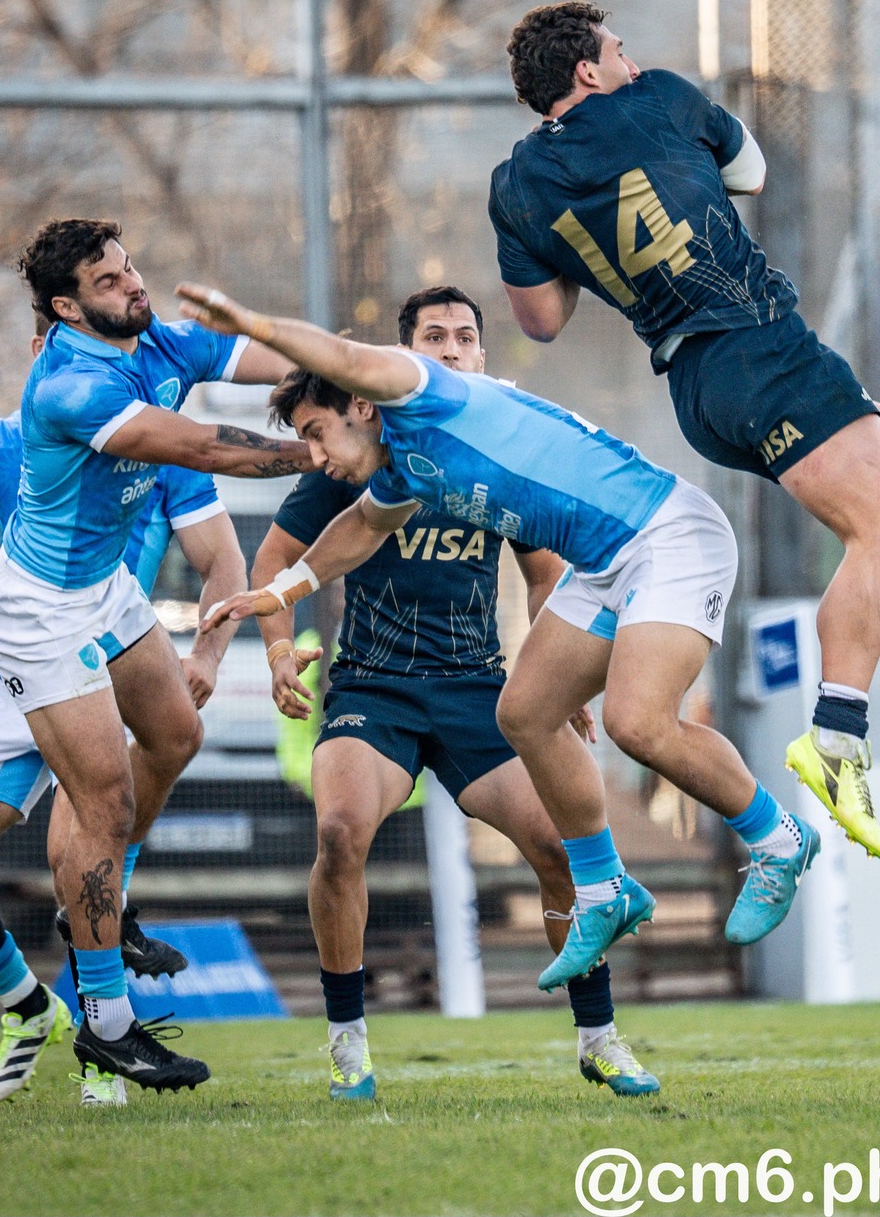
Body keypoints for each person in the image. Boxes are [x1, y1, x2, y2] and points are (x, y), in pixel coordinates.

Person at [487, 2, 880, 865]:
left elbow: (542, 317)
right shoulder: (657, 97)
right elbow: (752, 171)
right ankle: (837, 734)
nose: (631, 58)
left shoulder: (515, 186)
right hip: (758, 345)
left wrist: (587, 241)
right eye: (619, 49)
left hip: (698, 390)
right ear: (588, 72)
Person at [174, 282, 820, 1010]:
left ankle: (777, 837)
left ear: (361, 403)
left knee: (637, 723)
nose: (313, 454)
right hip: (605, 561)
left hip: (668, 536)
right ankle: (604, 887)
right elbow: (359, 530)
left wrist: (256, 321)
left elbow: (345, 355)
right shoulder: (409, 465)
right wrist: (281, 594)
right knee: (525, 711)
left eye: (317, 432)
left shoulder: (422, 389)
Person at [247, 285, 660, 1102]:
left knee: (560, 847)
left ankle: (600, 1038)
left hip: (478, 687)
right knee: (338, 833)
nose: (449, 347)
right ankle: (347, 1045)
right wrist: (275, 649)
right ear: (405, 356)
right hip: (373, 687)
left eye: (464, 337)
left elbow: (547, 579)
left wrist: (563, 676)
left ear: (480, 356)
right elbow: (271, 565)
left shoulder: (499, 453)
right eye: (432, 336)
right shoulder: (359, 442)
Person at [0, 219, 314, 1098]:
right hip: (38, 614)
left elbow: (265, 356)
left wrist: (378, 373)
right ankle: (110, 1029)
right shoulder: (73, 387)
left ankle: (97, 907)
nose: (132, 283)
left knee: (175, 734)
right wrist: (317, 453)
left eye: (129, 266)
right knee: (104, 803)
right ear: (66, 307)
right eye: (108, 278)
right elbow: (200, 446)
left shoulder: (157, 334)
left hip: (106, 593)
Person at [0, 314, 247, 1107]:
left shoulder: (150, 435)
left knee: (86, 829)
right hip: (24, 660)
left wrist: (206, 654)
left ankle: (104, 1045)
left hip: (111, 663)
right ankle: (29, 1008)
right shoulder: (2, 444)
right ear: (41, 355)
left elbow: (222, 557)